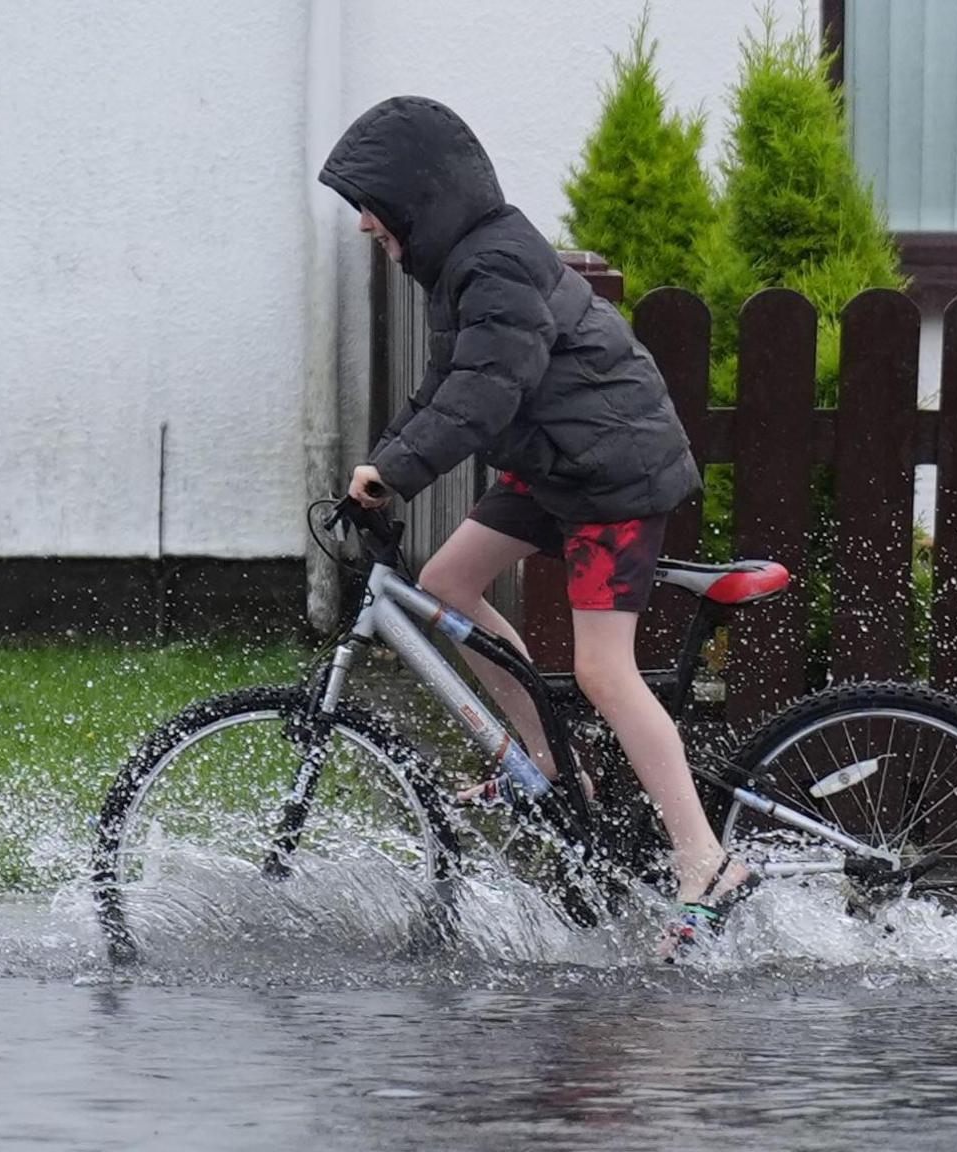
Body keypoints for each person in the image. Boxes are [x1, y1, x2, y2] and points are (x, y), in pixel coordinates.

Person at [319, 95, 756, 958]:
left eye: (374, 203)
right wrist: (383, 464)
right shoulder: (464, 268)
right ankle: (551, 763)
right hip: (557, 462)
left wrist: (401, 470)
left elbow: (488, 394)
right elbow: (446, 385)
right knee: (444, 585)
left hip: (610, 473)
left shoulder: (498, 267)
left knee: (602, 668)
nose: (366, 222)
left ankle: (706, 859)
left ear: (422, 196)